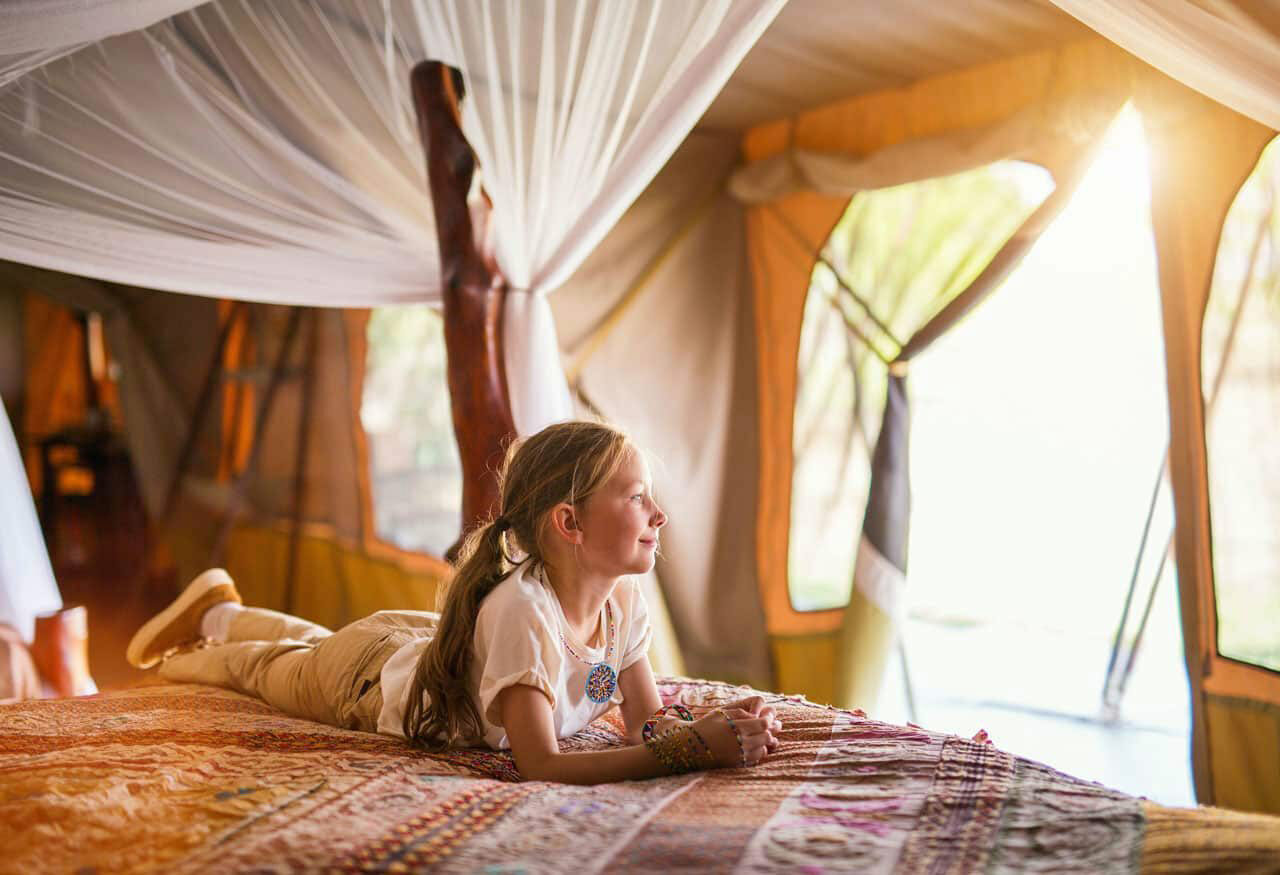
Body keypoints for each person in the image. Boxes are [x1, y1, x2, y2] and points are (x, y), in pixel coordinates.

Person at [126, 420, 780, 784]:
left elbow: (645, 720)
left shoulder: (623, 600)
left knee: (311, 643)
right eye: (636, 496)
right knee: (265, 670)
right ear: (569, 524)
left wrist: (707, 728)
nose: (658, 513)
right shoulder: (524, 611)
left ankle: (219, 610)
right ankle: (188, 647)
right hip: (368, 679)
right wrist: (690, 752)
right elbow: (542, 762)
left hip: (409, 643)